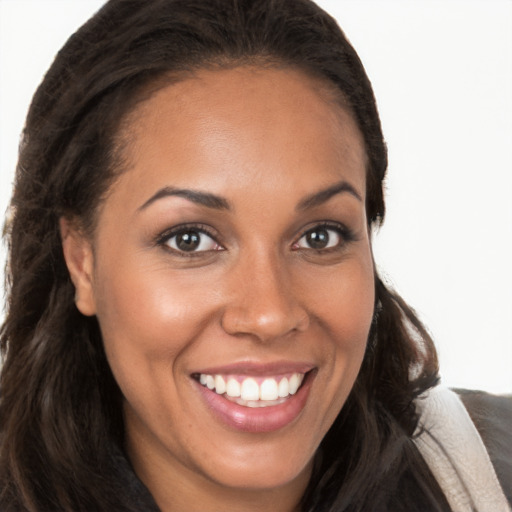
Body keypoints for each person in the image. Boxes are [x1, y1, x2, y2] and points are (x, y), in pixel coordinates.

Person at [0, 0, 509, 511]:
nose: (269, 314)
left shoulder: (489, 477)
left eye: (319, 236)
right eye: (190, 240)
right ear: (81, 260)